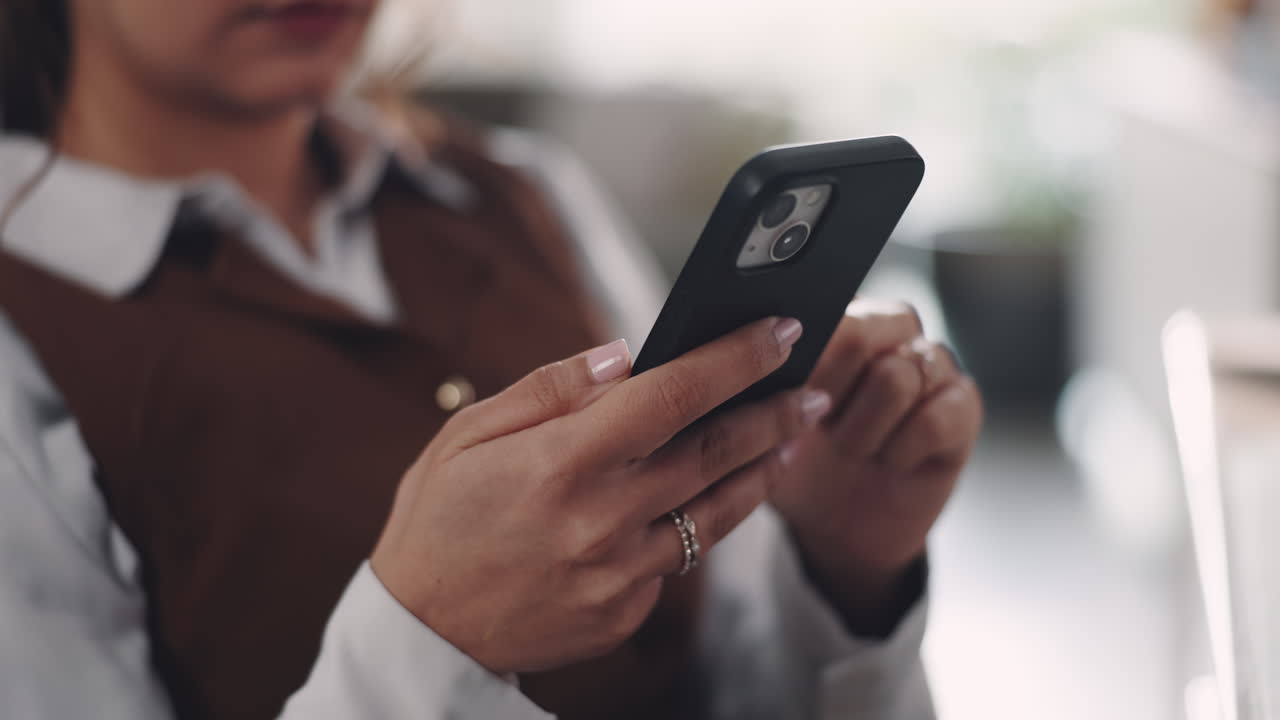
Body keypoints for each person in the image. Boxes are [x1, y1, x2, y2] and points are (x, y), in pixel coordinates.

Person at [0, 1, 983, 718]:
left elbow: (725, 676)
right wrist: (430, 643)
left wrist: (840, 573)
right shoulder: (26, 330)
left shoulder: (530, 196)